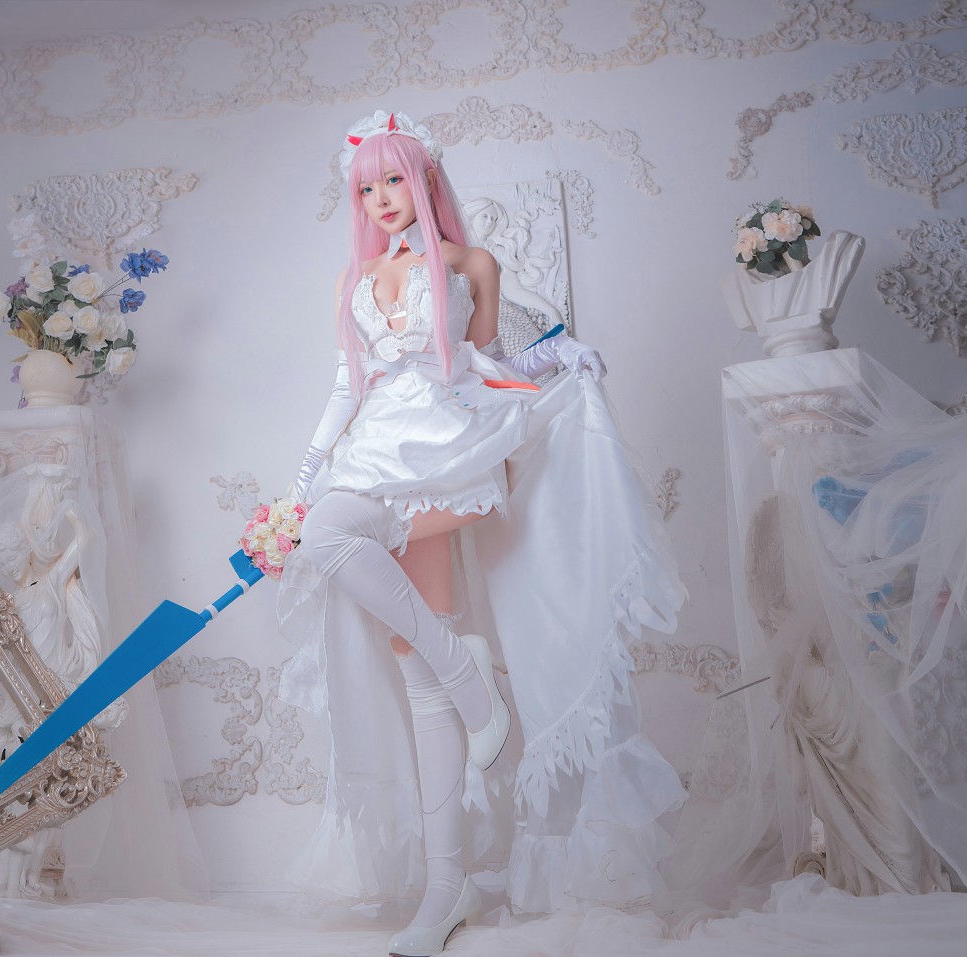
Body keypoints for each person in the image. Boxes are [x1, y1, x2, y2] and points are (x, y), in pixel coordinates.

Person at [274, 111, 688, 957]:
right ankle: (449, 867)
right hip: (373, 454)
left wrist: (558, 356)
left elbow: (486, 361)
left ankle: (458, 758)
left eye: (394, 179)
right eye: (366, 187)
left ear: (424, 178)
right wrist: (305, 478)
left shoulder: (471, 264)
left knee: (414, 649)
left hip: (449, 449)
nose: (381, 198)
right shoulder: (356, 277)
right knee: (368, 592)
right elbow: (347, 384)